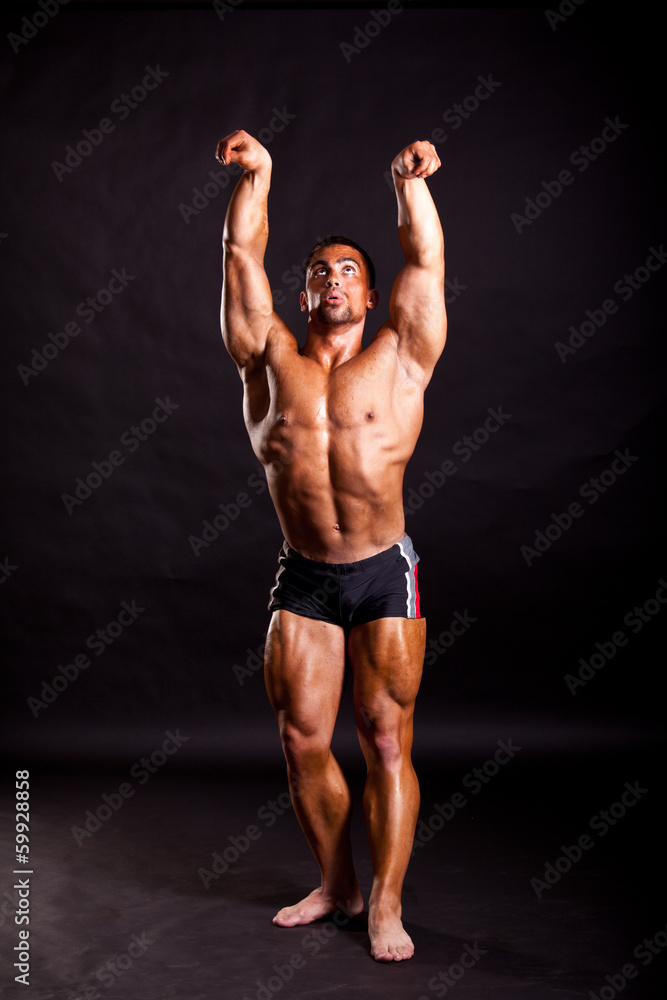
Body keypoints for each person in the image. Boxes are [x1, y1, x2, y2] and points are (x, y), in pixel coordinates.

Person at [215, 128, 446, 962]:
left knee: (385, 739)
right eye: (320, 270)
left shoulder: (401, 355)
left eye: (349, 270)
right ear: (303, 289)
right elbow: (240, 254)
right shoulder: (266, 357)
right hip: (304, 578)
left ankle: (384, 903)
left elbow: (425, 262)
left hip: (384, 572)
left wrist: (408, 185)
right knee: (301, 739)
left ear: (372, 293)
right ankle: (337, 884)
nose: (334, 279)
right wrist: (259, 173)